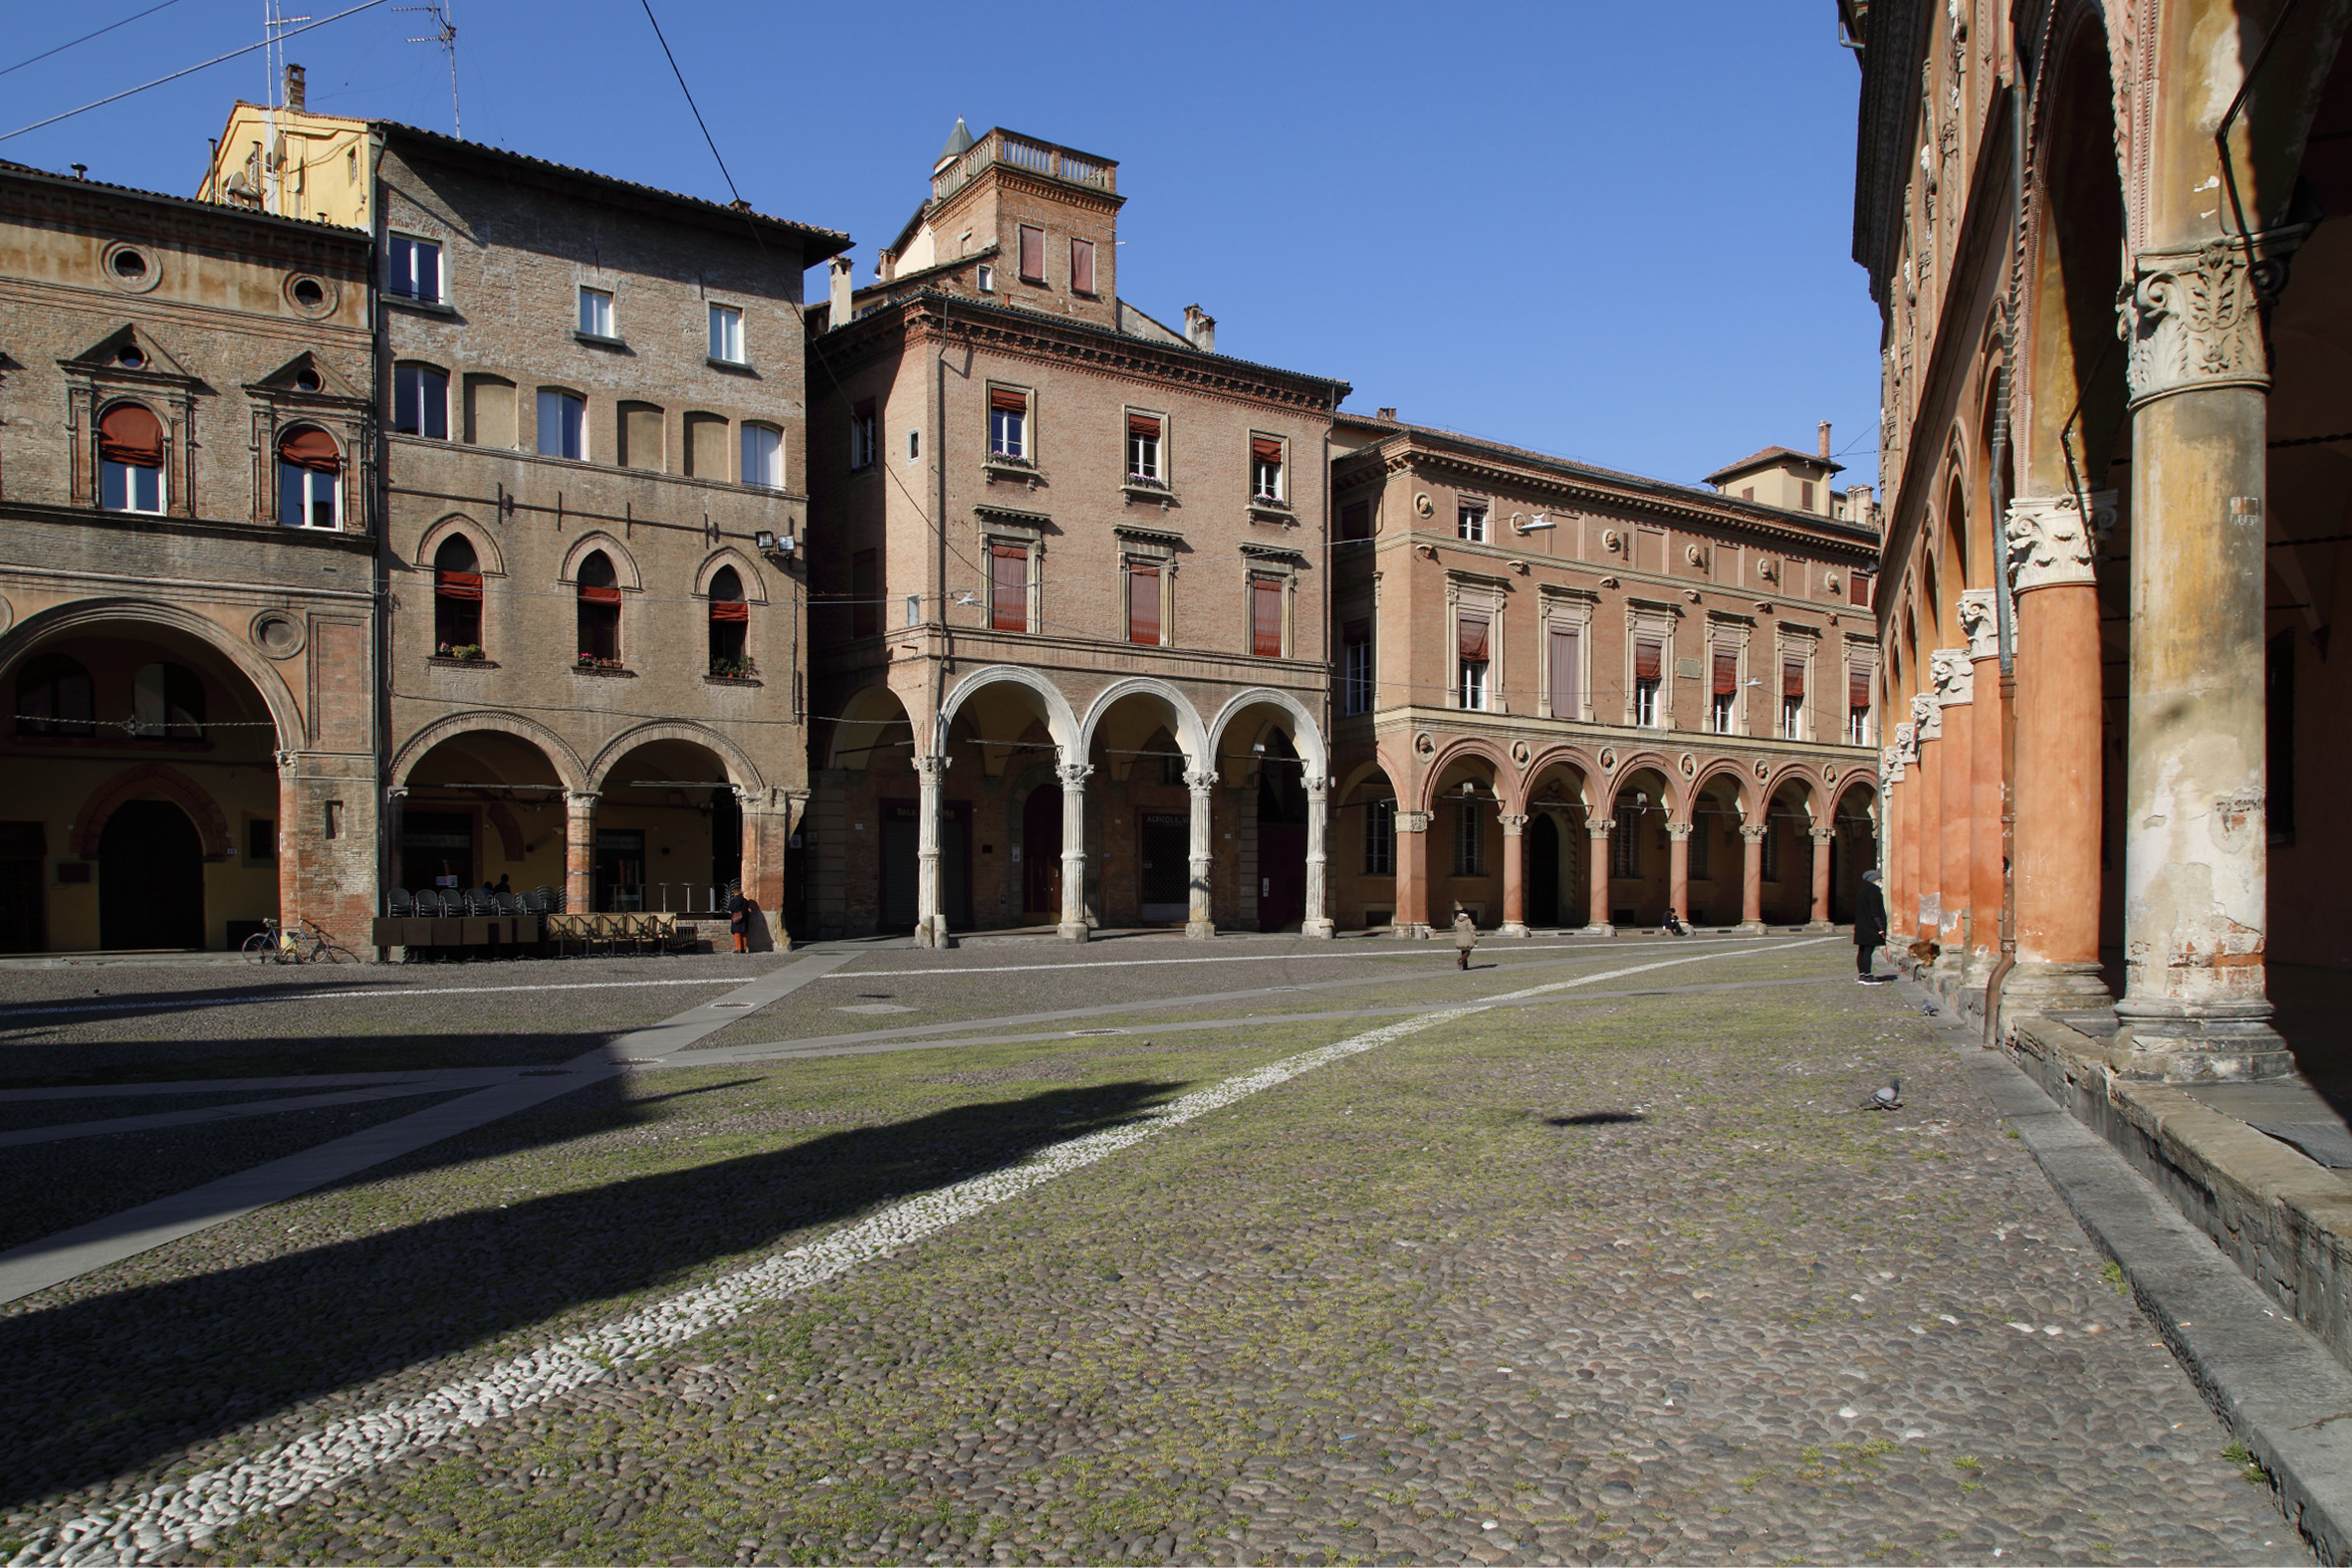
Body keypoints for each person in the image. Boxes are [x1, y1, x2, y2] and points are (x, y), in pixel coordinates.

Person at [1855, 867, 1888, 983]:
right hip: (1870, 927)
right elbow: (1875, 912)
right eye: (1879, 879)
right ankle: (1868, 975)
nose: (1880, 881)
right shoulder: (1873, 891)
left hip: (1861, 927)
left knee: (1862, 951)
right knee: (1868, 951)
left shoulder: (1862, 891)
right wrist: (1881, 928)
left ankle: (1862, 974)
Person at [726, 882, 753, 954]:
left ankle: (738, 948)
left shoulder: (735, 900)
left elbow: (730, 908)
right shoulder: (745, 900)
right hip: (744, 918)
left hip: (737, 918)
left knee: (737, 934)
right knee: (743, 934)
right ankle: (743, 948)